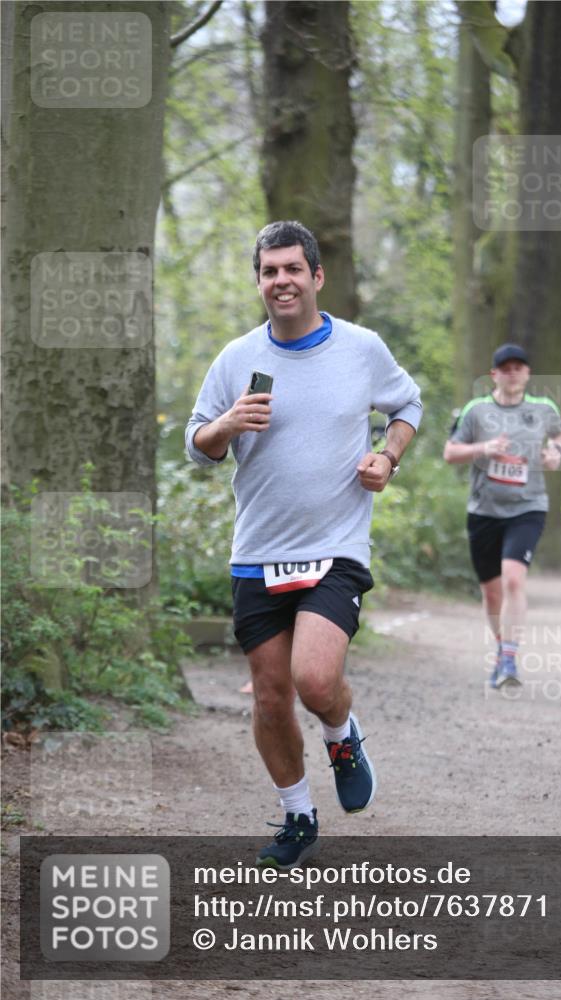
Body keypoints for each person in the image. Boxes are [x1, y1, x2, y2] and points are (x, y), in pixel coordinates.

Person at [185, 220, 422, 868]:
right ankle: (297, 816)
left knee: (314, 679)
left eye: (292, 268)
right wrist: (227, 422)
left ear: (316, 276)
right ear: (258, 281)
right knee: (268, 696)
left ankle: (342, 737)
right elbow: (198, 443)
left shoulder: (360, 348)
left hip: (335, 546)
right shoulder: (236, 359)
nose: (280, 280)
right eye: (269, 271)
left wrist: (387, 456)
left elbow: (408, 405)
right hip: (258, 550)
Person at [443, 344, 561, 688]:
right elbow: (450, 452)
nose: (513, 373)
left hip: (528, 507)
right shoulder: (477, 410)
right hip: (484, 511)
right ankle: (501, 650)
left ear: (527, 374)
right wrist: (483, 448)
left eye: (519, 367)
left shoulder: (543, 409)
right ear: (494, 374)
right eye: (506, 368)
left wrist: (555, 451)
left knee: (514, 578)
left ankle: (510, 659)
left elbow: (560, 433)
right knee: (492, 592)